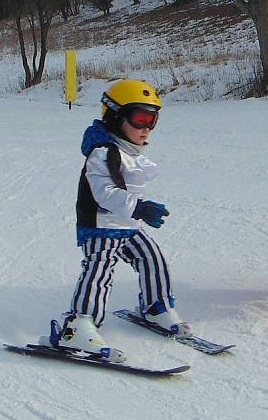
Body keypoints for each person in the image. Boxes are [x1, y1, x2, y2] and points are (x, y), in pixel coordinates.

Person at [44, 79, 191, 363]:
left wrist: (139, 210)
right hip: (100, 227)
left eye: (152, 120)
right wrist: (140, 207)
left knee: (152, 258)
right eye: (139, 118)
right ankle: (78, 325)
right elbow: (105, 194)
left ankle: (155, 306)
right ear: (115, 116)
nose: (146, 127)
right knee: (100, 270)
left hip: (124, 225)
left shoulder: (126, 151)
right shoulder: (103, 153)